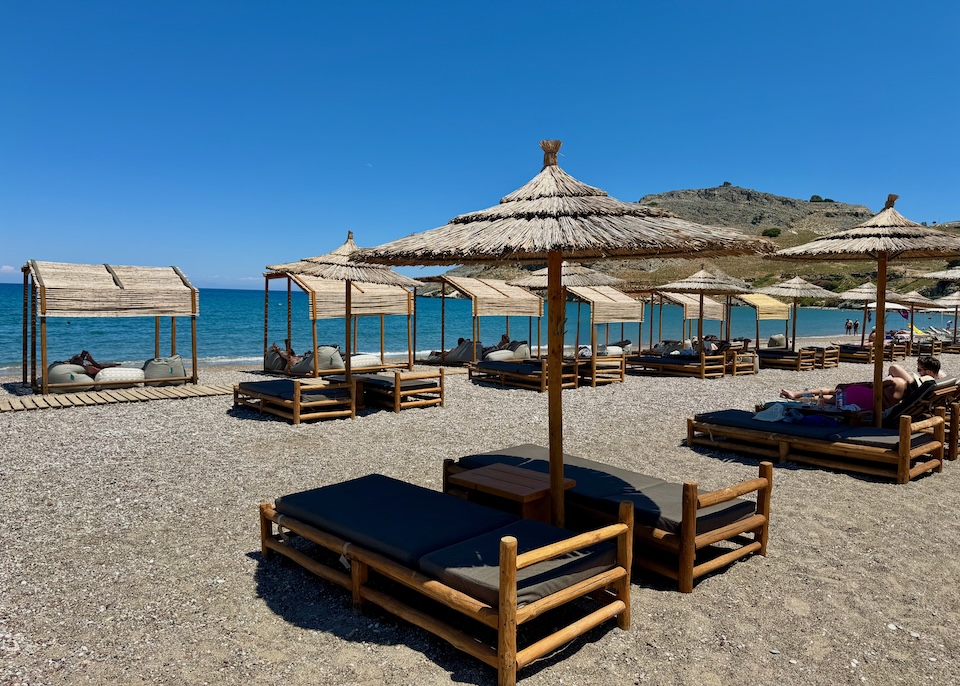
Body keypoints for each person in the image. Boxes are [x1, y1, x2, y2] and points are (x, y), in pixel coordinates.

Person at [780, 357, 944, 410]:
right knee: (828, 398)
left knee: (830, 393)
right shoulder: (907, 393)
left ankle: (798, 395)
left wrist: (850, 385)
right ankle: (799, 397)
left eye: (920, 370)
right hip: (874, 403)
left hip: (865, 397)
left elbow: (872, 385)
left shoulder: (896, 382)